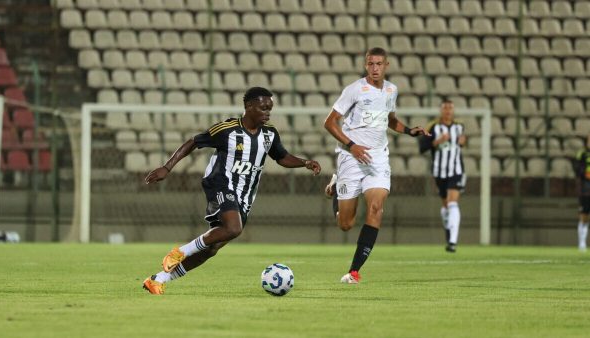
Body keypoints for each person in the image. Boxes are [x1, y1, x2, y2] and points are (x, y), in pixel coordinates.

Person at [142, 87, 321, 294]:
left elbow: (282, 157)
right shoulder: (227, 129)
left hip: (245, 195)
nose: (267, 112)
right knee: (234, 228)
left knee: (211, 249)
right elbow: (193, 142)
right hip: (220, 182)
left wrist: (304, 162)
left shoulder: (269, 134)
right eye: (263, 108)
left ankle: (158, 279)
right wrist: (167, 167)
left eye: (270, 108)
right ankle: (180, 252)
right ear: (248, 107)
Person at [323, 47, 429, 284]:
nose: (375, 68)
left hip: (378, 158)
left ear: (386, 65)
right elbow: (329, 123)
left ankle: (354, 272)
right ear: (365, 65)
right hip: (351, 157)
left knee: (376, 209)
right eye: (371, 64)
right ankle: (337, 183)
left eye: (379, 64)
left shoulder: (392, 90)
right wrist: (352, 146)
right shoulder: (354, 90)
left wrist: (410, 131)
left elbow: (390, 120)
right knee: (346, 224)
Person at [419, 100, 466, 253]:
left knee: (453, 203)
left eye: (450, 108)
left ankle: (453, 242)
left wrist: (463, 141)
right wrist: (436, 141)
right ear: (441, 110)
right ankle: (449, 237)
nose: (448, 111)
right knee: (446, 207)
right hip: (439, 172)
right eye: (445, 108)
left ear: (453, 110)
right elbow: (422, 147)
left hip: (456, 170)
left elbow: (462, 142)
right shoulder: (432, 127)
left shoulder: (460, 127)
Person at [574, 135, 590, 252]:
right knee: (584, 215)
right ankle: (582, 242)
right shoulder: (582, 154)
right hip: (585, 188)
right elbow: (577, 169)